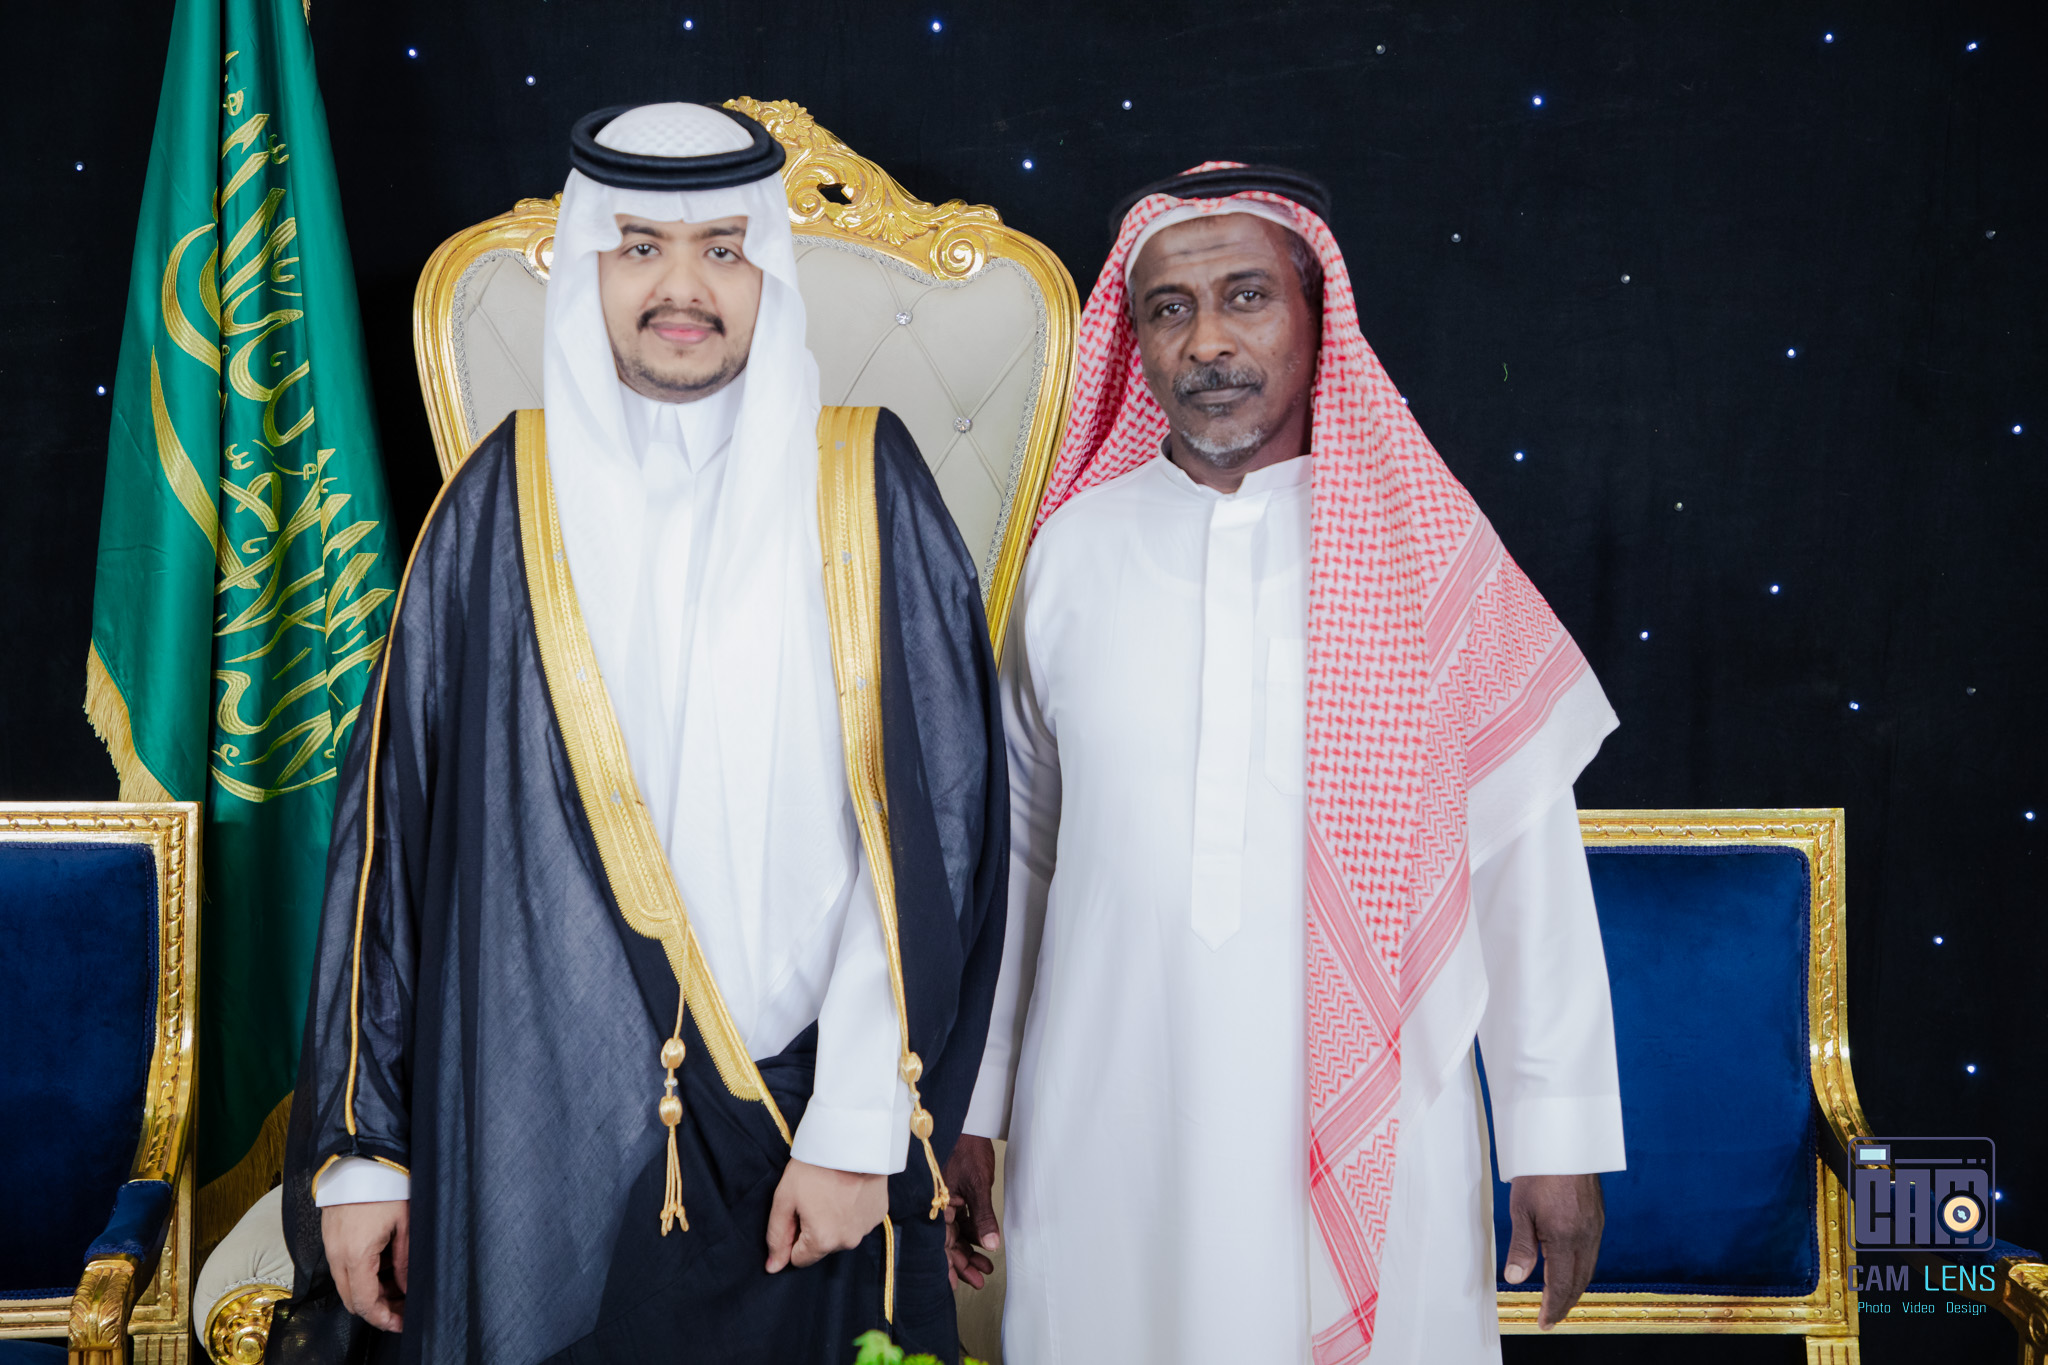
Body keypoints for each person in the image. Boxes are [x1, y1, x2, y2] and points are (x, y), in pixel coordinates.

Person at [279, 103, 1006, 1365]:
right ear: (588, 268)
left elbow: (938, 824)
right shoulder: (496, 501)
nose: (683, 289)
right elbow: (390, 841)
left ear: (768, 269)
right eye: (640, 249)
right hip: (536, 1141)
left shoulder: (864, 482)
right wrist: (364, 1153)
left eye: (723, 249)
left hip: (805, 1142)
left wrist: (855, 1129)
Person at [944, 163, 1625, 1365]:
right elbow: (1021, 862)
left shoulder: (1423, 555)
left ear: (1319, 319)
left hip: (1375, 1118)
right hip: (1106, 1111)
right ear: (1136, 340)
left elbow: (1523, 862)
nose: (1206, 341)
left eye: (1246, 297)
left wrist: (1554, 1136)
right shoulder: (1072, 554)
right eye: (1168, 309)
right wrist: (974, 1106)